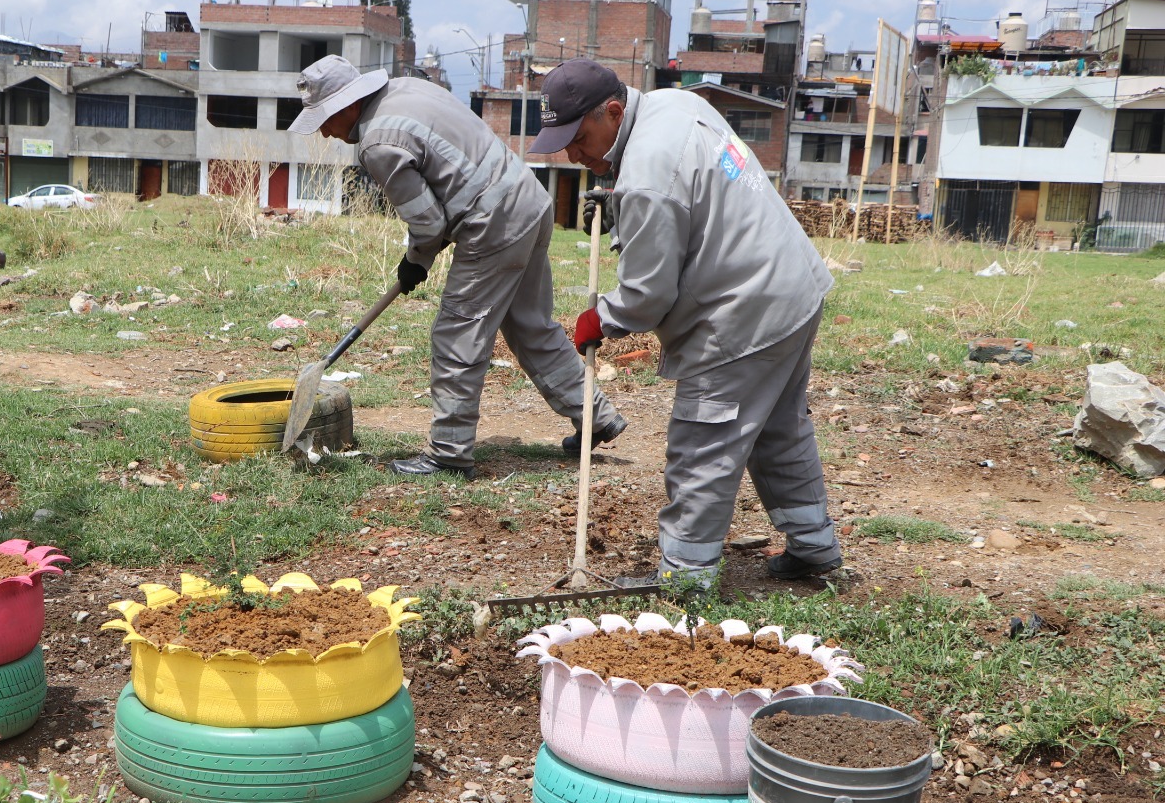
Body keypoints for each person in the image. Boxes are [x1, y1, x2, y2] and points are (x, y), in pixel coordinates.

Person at [529, 58, 841, 589]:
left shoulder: (646, 175)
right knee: (779, 429)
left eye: (579, 139)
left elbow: (647, 296)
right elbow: (688, 190)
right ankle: (813, 546)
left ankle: (684, 577)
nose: (574, 156)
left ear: (612, 111)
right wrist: (622, 200)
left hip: (743, 314)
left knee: (704, 441)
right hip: (792, 287)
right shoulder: (673, 104)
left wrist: (600, 318)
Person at [289, 54, 624, 479]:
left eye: (324, 118)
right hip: (528, 201)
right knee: (529, 326)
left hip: (494, 224)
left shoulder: (377, 142)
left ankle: (448, 453)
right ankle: (596, 415)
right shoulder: (407, 88)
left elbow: (428, 223)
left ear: (346, 105)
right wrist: (420, 256)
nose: (324, 131)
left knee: (456, 335)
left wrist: (415, 262)